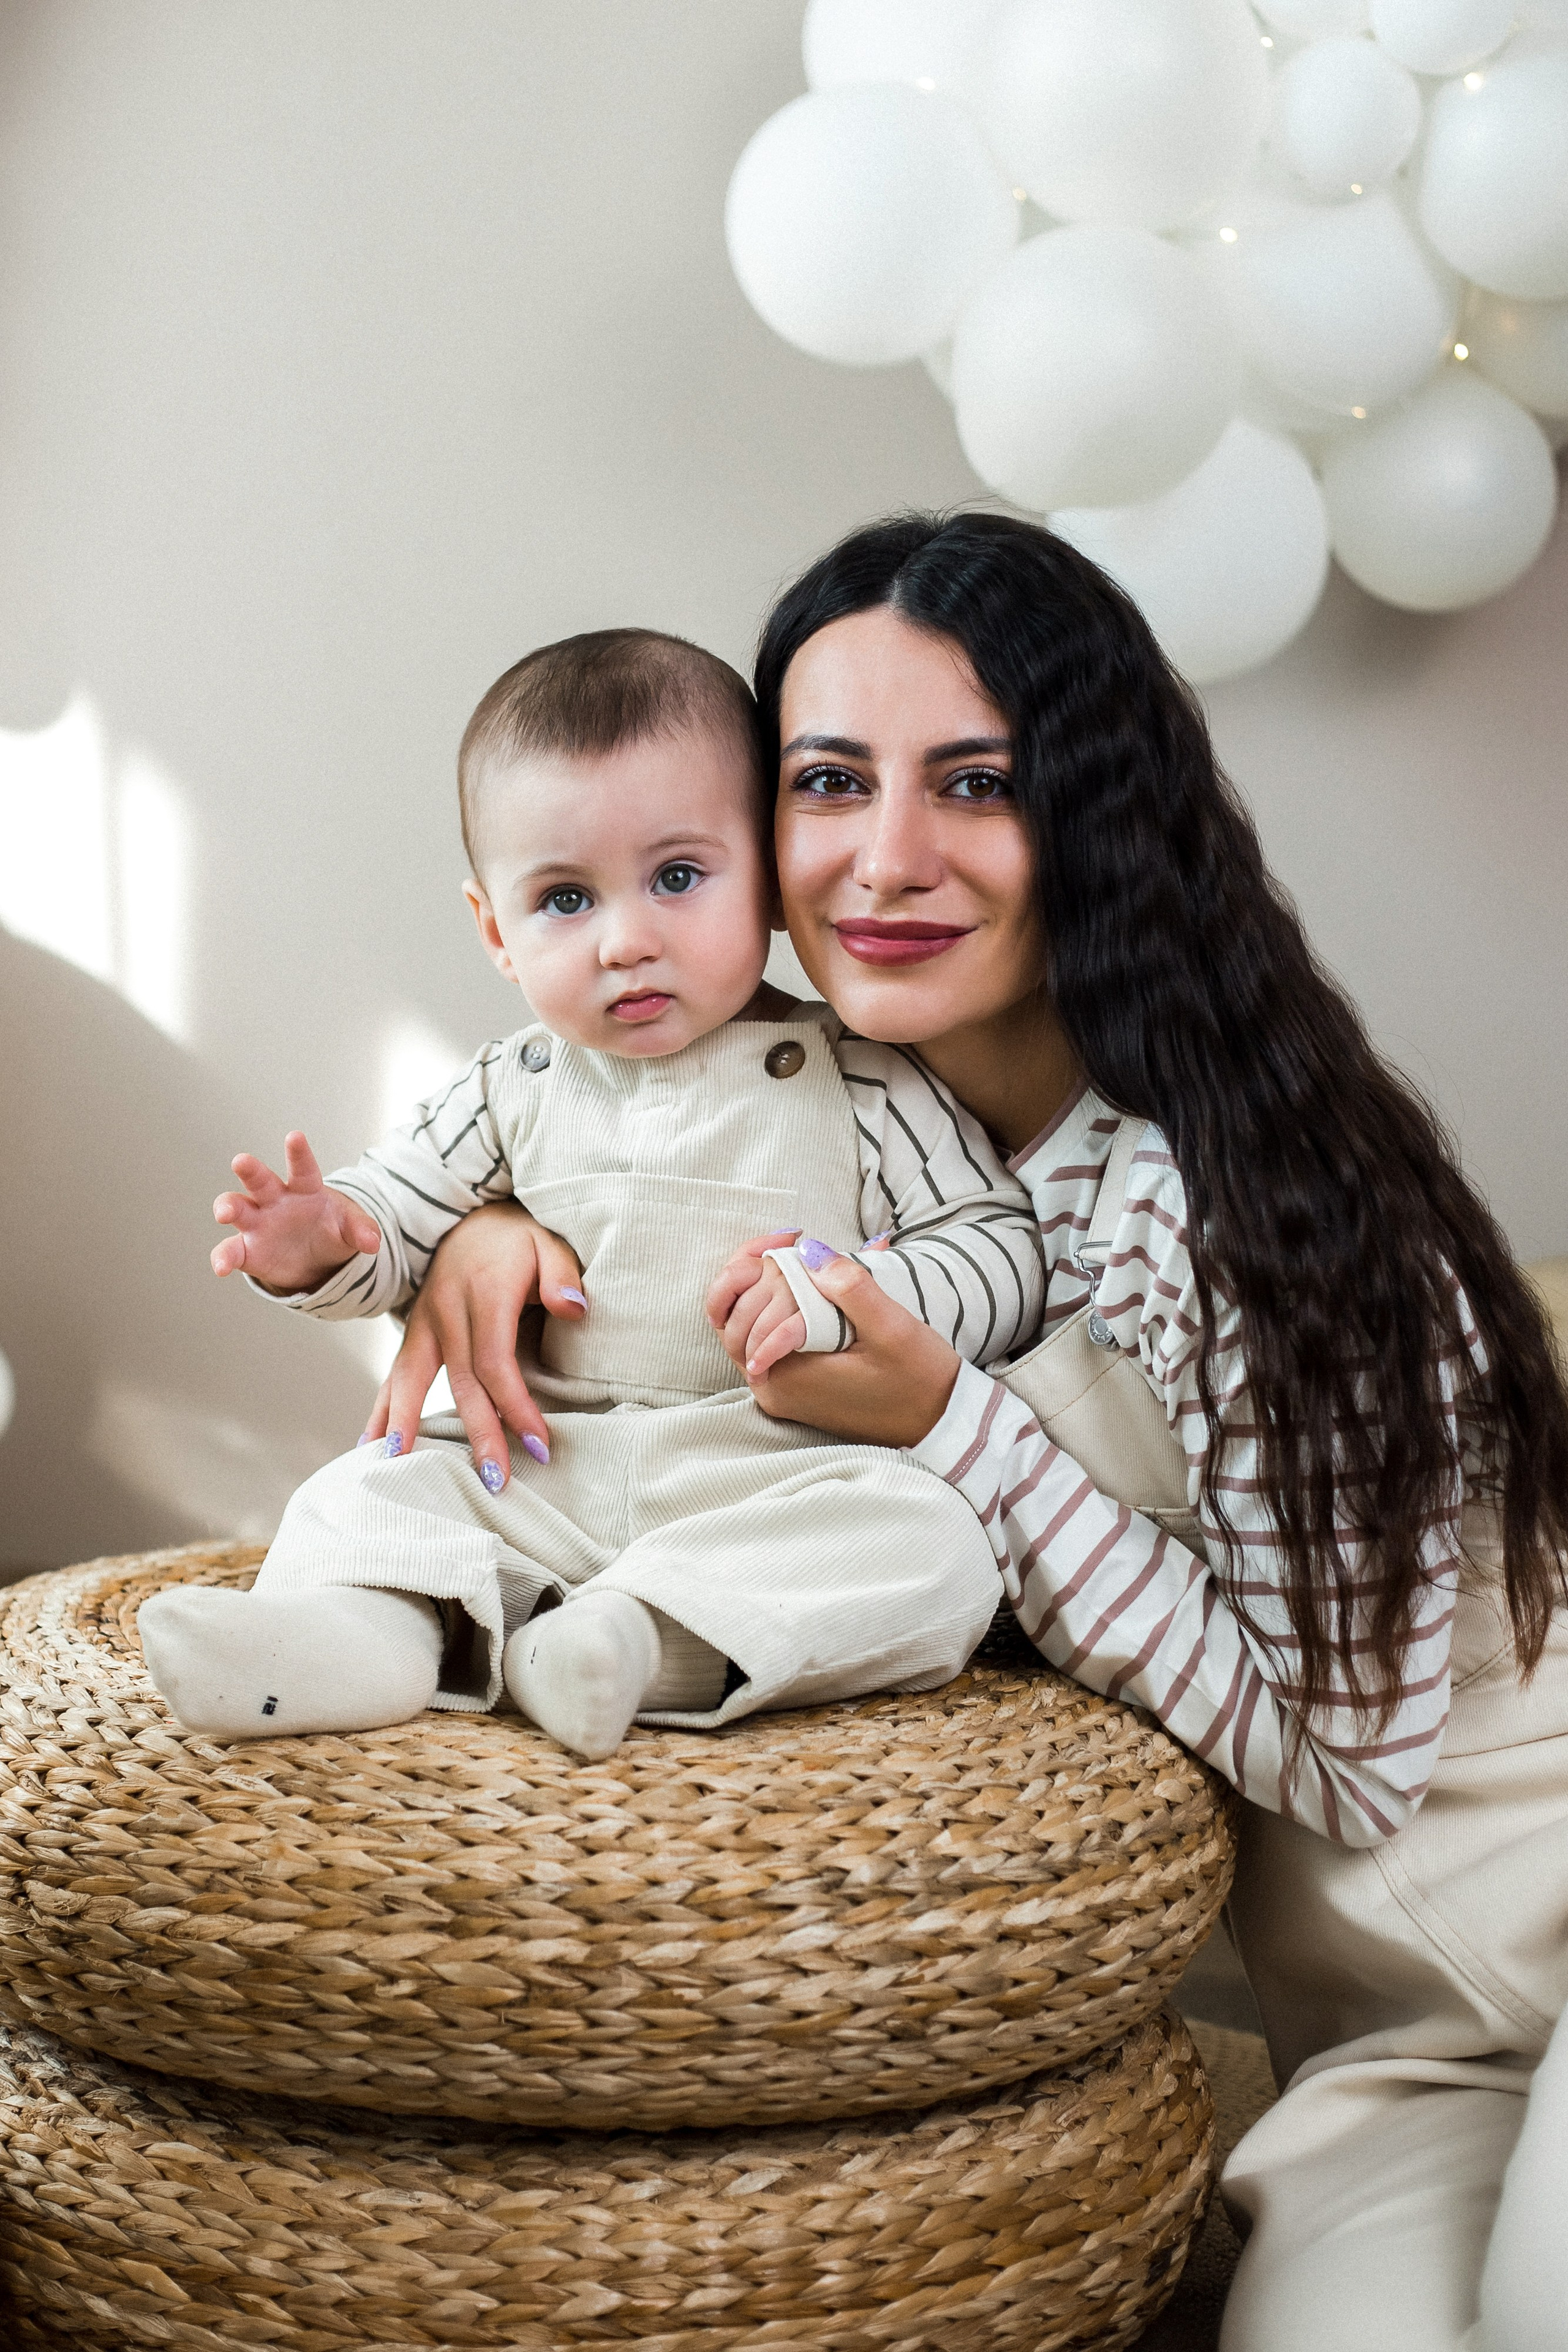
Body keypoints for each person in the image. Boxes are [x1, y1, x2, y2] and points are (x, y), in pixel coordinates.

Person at [386, 514, 1568, 2352]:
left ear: (1097, 815)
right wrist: (484, 1230)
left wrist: (958, 1423)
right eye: (827, 783)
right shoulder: (828, 1173)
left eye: (977, 784)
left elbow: (1347, 1773)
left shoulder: (1234, 1199)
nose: (887, 857)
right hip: (1396, 2061)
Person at [140, 625, 1043, 1760]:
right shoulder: (510, 1083)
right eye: (566, 898)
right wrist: (323, 1237)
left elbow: (999, 1246)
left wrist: (854, 1292)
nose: (626, 941)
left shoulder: (862, 1075)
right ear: (495, 930)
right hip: (537, 1465)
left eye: (678, 879)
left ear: (767, 880)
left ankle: (632, 1644)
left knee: (935, 1544)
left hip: (772, 1471)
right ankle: (357, 1641)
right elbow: (398, 1219)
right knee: (362, 1488)